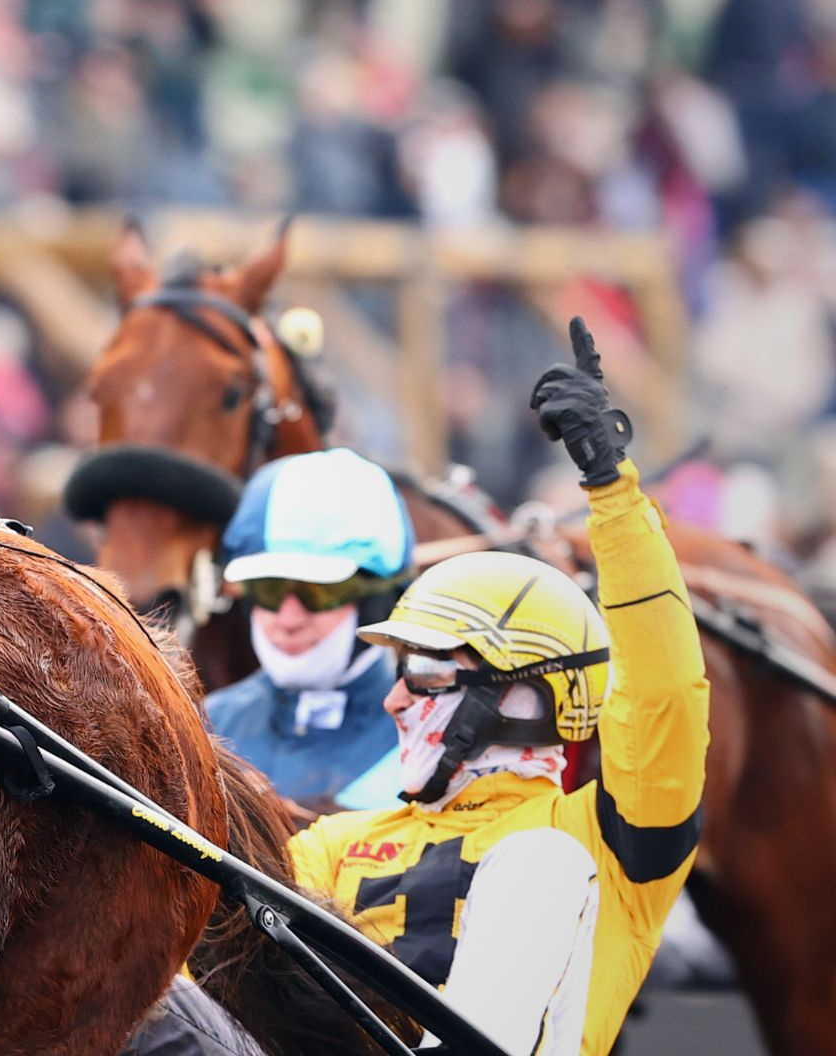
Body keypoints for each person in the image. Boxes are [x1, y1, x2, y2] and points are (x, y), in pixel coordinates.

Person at [287, 319, 708, 1055]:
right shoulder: (331, 847)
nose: (393, 701)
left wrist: (612, 492)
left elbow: (664, 694)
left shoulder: (601, 844)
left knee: (538, 867)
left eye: (423, 674)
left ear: (521, 696)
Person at [204, 448, 415, 813]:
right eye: (268, 590)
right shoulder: (208, 724)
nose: (288, 619)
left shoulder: (429, 739)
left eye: (317, 593)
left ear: (379, 600)